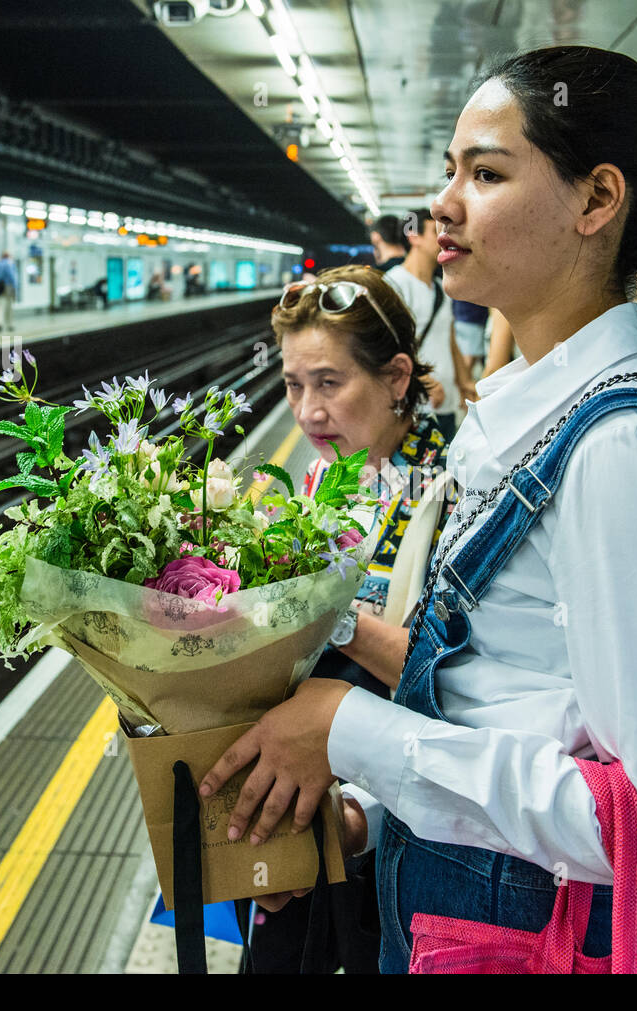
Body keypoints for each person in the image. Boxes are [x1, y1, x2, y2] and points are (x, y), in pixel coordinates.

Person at [198, 46, 637, 975]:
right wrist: (365, 816)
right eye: (449, 171)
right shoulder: (536, 419)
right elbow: (512, 709)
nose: (444, 205)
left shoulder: (626, 450)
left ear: (596, 201)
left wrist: (351, 726)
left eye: (487, 173)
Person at [248, 264, 455, 973]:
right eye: (293, 384)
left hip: (397, 829)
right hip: (308, 810)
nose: (307, 411)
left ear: (398, 377)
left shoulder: (451, 489)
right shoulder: (318, 480)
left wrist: (326, 616)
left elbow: (448, 682)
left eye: (329, 383)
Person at [385, 208, 475, 438]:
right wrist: (422, 380)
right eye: (434, 231)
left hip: (446, 403)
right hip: (414, 406)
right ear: (413, 236)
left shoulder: (440, 289)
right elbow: (386, 344)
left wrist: (465, 382)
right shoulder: (395, 284)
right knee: (414, 473)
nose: (443, 237)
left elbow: (450, 338)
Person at [0, 251, 18, 331]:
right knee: (9, 306)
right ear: (8, 256)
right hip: (9, 286)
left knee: (0, 306)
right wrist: (15, 288)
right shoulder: (10, 264)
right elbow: (12, 276)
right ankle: (10, 324)